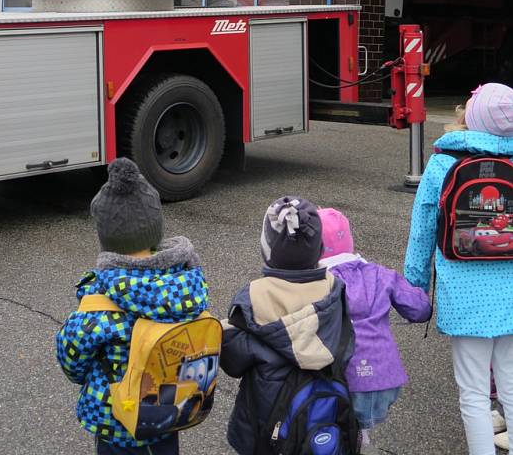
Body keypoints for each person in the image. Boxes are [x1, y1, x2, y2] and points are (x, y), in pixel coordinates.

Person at [56, 157, 209, 455]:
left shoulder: (99, 304)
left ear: (106, 239)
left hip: (116, 422)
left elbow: (71, 358)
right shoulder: (187, 284)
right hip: (170, 414)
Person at [404, 82, 513, 455]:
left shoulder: (443, 163)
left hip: (464, 295)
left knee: (473, 393)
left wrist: (414, 286)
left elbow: (422, 229)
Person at [219, 195, 355, 455]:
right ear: (319, 249)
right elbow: (347, 347)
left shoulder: (253, 297)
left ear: (266, 249)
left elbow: (233, 361)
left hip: (265, 421)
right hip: (322, 414)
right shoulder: (334, 290)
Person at [318, 207, 431, 455]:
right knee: (358, 428)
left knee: (340, 429)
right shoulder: (380, 274)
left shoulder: (317, 282)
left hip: (343, 380)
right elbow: (419, 309)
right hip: (385, 379)